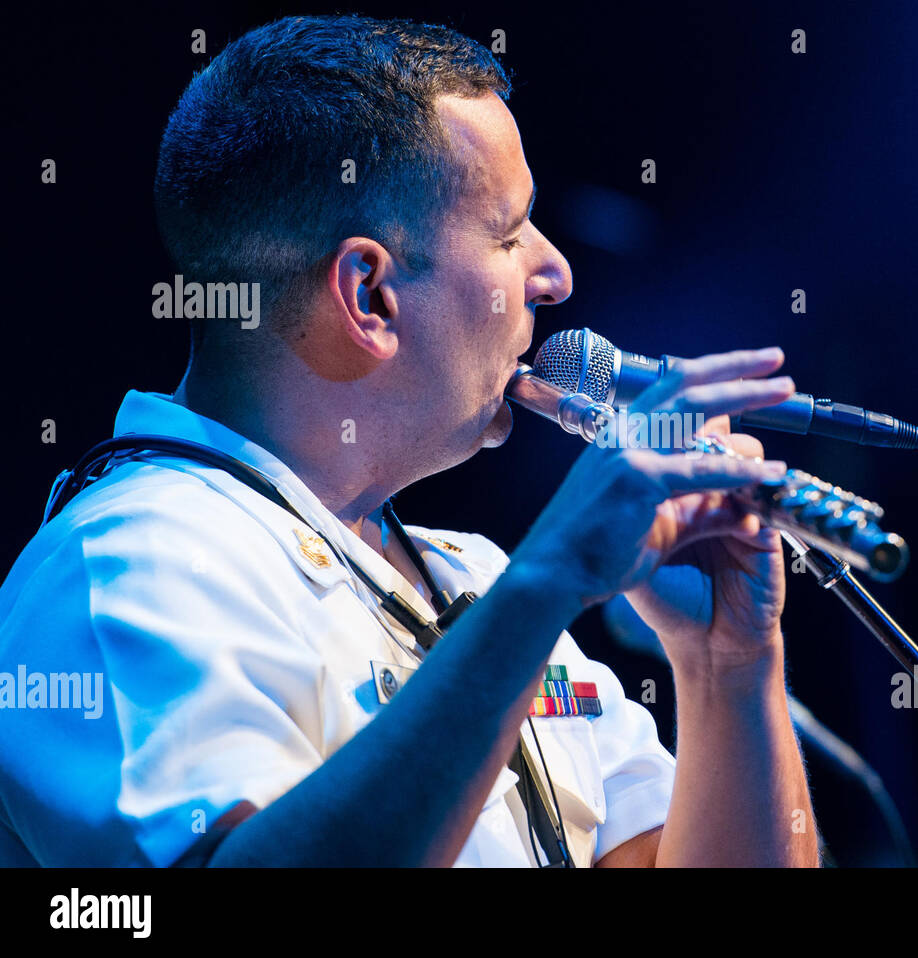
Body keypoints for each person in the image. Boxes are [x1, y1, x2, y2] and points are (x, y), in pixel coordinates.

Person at [0, 14, 818, 867]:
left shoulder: (477, 575)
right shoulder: (132, 564)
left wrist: (728, 660)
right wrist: (550, 580)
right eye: (509, 232)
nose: (556, 274)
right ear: (371, 296)